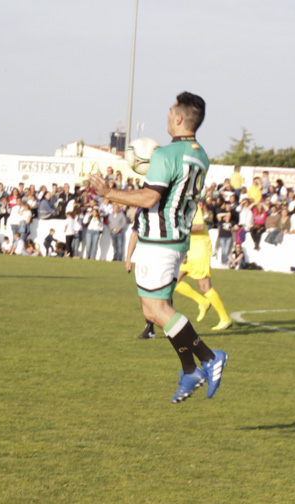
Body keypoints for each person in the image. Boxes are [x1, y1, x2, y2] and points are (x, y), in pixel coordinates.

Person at [87, 91, 227, 403]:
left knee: (156, 309)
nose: (166, 116)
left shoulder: (166, 155)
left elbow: (150, 198)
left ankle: (209, 357)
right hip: (175, 239)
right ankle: (190, 369)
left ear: (179, 118)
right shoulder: (200, 154)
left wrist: (109, 192)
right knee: (156, 308)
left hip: (159, 240)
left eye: (169, 112)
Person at [173, 200, 233, 331]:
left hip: (199, 250)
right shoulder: (180, 211)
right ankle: (202, 301)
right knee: (173, 282)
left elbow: (199, 226)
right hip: (189, 251)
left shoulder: (192, 207)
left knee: (204, 286)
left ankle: (225, 319)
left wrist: (181, 228)